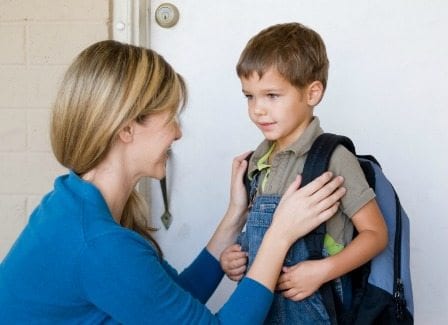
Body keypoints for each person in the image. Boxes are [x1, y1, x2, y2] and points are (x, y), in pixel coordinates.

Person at [0, 40, 346, 324]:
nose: (178, 134)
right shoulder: (100, 244)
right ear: (126, 128)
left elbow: (170, 304)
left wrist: (234, 218)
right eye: (171, 119)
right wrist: (280, 235)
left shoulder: (72, 201)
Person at [220, 22, 388, 324]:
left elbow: (376, 235)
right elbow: (262, 241)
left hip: (315, 312)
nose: (257, 109)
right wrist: (235, 258)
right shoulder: (259, 162)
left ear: (312, 93)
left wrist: (322, 271)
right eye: (249, 96)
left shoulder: (332, 158)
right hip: (262, 311)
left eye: (271, 95)